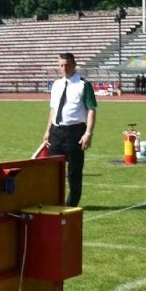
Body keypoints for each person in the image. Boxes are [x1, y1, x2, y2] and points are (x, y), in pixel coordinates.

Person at [43, 51, 96, 207]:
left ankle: (72, 203)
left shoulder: (83, 85)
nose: (64, 68)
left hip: (75, 132)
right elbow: (53, 109)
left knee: (74, 172)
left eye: (67, 65)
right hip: (57, 132)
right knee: (53, 171)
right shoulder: (57, 85)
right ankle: (54, 201)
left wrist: (88, 133)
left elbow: (92, 109)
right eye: (61, 65)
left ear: (74, 65)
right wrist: (48, 130)